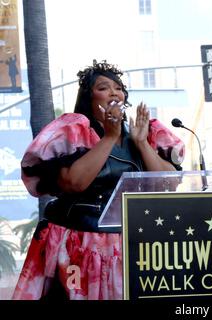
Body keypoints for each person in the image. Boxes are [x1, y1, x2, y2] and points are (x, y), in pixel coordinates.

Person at [12, 60, 184, 300]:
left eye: (118, 87)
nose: (114, 92)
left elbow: (168, 183)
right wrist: (109, 137)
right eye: (103, 87)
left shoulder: (141, 133)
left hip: (125, 246)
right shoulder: (74, 130)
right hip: (78, 244)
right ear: (89, 98)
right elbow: (74, 182)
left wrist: (142, 143)